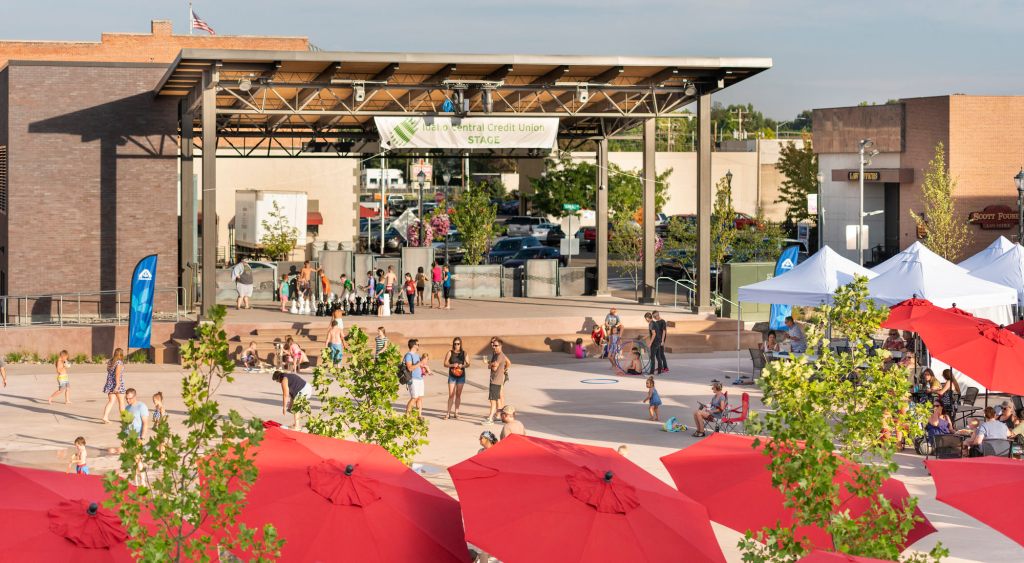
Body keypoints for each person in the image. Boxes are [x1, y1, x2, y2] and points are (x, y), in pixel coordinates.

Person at [484, 338, 510, 425]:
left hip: (496, 381)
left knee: (493, 400)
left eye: (496, 345)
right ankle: (498, 417)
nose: (494, 347)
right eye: (493, 345)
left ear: (500, 346)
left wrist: (502, 369)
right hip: (494, 380)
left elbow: (495, 367)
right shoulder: (495, 355)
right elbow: (492, 366)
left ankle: (490, 418)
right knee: (495, 399)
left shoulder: (500, 356)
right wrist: (492, 364)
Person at [443, 337, 470, 420]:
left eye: (458, 344)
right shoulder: (450, 352)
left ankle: (456, 413)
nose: (456, 345)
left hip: (461, 376)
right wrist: (452, 365)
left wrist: (463, 365)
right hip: (452, 376)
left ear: (460, 344)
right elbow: (445, 363)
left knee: (458, 394)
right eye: (455, 344)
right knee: (451, 395)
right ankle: (448, 413)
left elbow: (468, 364)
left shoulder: (464, 353)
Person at [403, 339, 428, 418]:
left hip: (420, 379)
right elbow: (410, 368)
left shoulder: (417, 355)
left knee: (419, 398)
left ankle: (419, 416)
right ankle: (407, 416)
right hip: (413, 379)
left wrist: (425, 370)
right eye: (418, 344)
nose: (418, 346)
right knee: (414, 398)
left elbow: (420, 366)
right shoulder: (408, 355)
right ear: (414, 345)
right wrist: (419, 363)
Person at [101, 348, 126, 423]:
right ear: (121, 354)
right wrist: (117, 385)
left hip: (110, 384)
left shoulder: (110, 361)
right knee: (121, 402)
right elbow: (117, 374)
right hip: (117, 384)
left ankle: (105, 417)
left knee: (111, 401)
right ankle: (124, 419)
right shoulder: (119, 362)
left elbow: (109, 372)